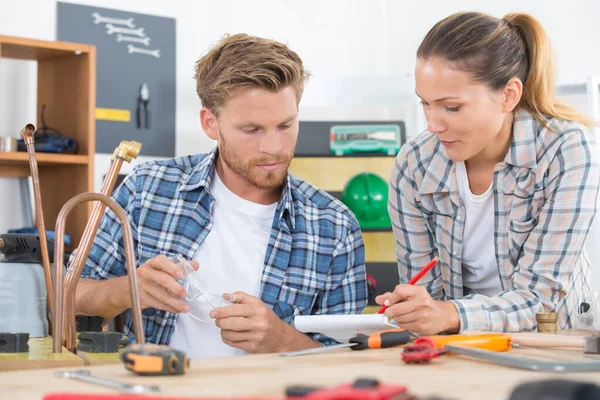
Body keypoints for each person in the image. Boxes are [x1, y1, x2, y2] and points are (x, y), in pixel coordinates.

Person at [74, 33, 367, 358]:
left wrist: (281, 339)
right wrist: (128, 290)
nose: (273, 147)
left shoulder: (334, 227)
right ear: (210, 123)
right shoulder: (148, 189)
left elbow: (348, 359)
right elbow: (68, 297)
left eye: (285, 125)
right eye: (252, 130)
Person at [377, 12, 599, 334]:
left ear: (509, 95)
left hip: (551, 347)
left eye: (452, 107)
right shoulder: (415, 165)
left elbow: (542, 300)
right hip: (459, 350)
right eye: (425, 103)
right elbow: (426, 295)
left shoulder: (566, 151)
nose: (433, 125)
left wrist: (450, 314)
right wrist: (416, 310)